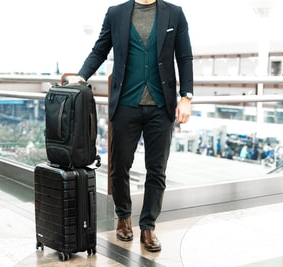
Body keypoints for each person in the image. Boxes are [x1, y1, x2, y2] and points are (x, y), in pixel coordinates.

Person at [71, 0, 193, 252]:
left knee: (157, 170)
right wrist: (81, 75)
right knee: (119, 166)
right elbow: (100, 50)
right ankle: (123, 217)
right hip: (125, 104)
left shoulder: (175, 14)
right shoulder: (116, 14)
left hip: (162, 106)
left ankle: (148, 227)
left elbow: (184, 56)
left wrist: (186, 96)